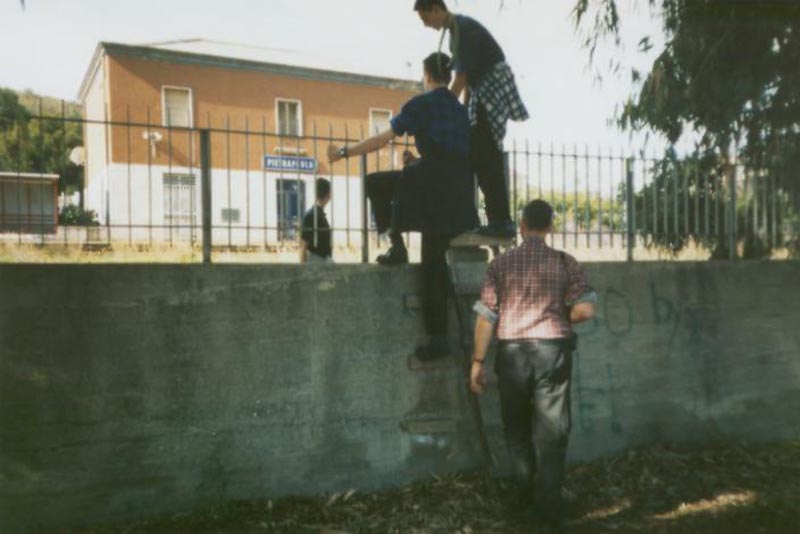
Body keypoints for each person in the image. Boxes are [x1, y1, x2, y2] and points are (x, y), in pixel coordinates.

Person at [328, 52, 478, 360]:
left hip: (432, 188)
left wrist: (344, 151)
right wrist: (421, 162)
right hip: (459, 193)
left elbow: (382, 139)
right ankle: (439, 337)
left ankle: (396, 244)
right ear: (448, 76)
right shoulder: (460, 111)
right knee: (434, 261)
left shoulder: (420, 104)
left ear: (426, 75)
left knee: (376, 183)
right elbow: (452, 156)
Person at [469, 199, 597, 531]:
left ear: (522, 226)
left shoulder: (500, 264)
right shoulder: (565, 263)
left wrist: (478, 362)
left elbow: (485, 319)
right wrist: (557, 316)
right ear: (550, 227)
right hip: (551, 354)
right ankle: (549, 509)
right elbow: (584, 311)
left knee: (516, 430)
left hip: (510, 356)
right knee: (552, 433)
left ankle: (522, 498)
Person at [414, 0, 529, 238]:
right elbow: (465, 79)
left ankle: (502, 221)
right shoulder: (455, 31)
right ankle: (496, 219)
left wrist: (442, 108)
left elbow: (461, 79)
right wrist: (462, 113)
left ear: (436, 8)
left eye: (426, 18)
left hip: (490, 90)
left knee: (486, 155)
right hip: (480, 92)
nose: (426, 25)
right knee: (478, 153)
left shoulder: (463, 29)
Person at [300, 177, 333, 263]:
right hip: (317, 261)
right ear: (328, 195)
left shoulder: (316, 214)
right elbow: (304, 246)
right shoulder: (313, 215)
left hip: (320, 260)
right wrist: (302, 271)